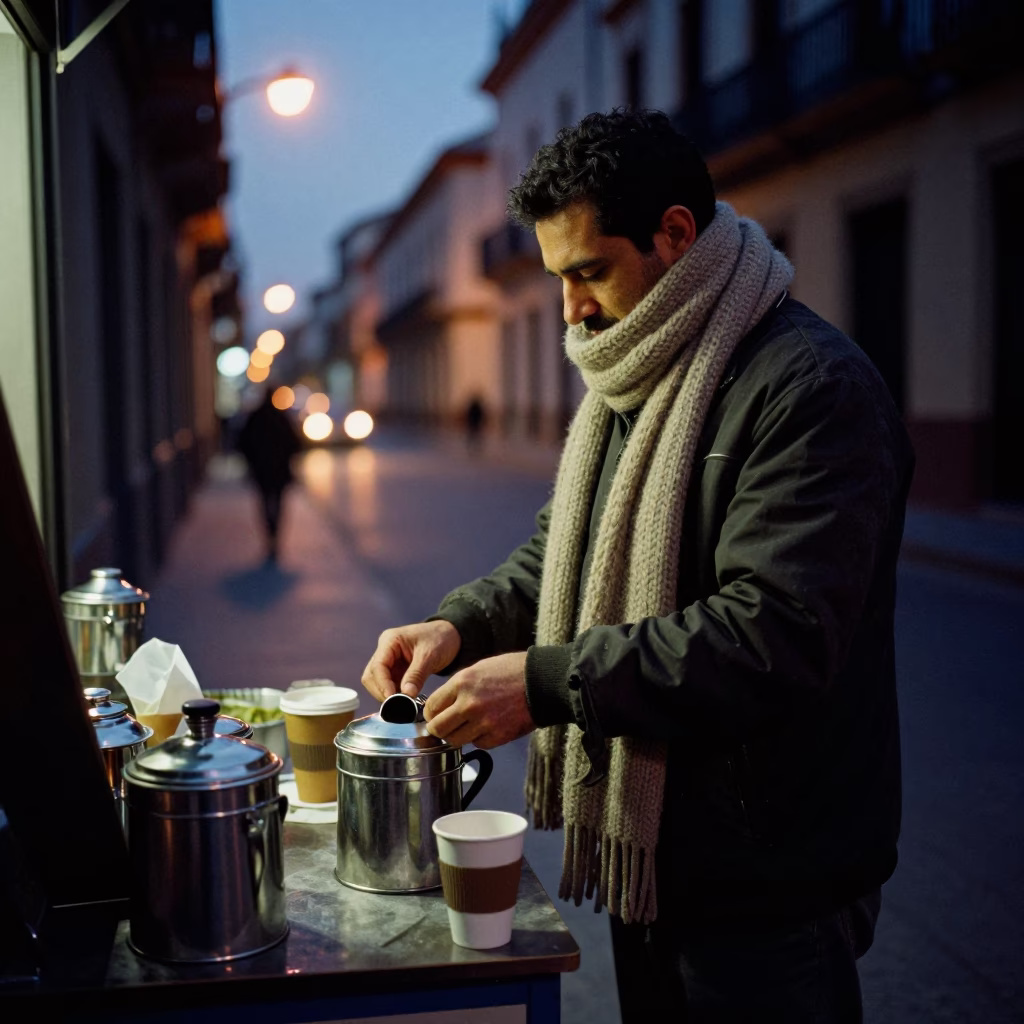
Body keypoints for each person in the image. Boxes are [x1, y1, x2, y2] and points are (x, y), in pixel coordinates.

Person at [361, 109, 913, 1023]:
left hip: (770, 872)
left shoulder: (813, 388)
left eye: (589, 271)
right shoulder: (644, 371)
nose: (573, 308)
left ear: (675, 235)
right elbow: (562, 556)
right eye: (557, 280)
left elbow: (771, 634)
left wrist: (544, 685)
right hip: (660, 851)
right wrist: (458, 624)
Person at [236, 386, 302, 562]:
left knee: (265, 503)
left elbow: (243, 442)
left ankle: (269, 536)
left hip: (261, 471)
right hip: (279, 470)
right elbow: (295, 443)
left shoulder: (256, 417)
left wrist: (252, 460)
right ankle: (275, 536)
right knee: (278, 503)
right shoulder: (281, 418)